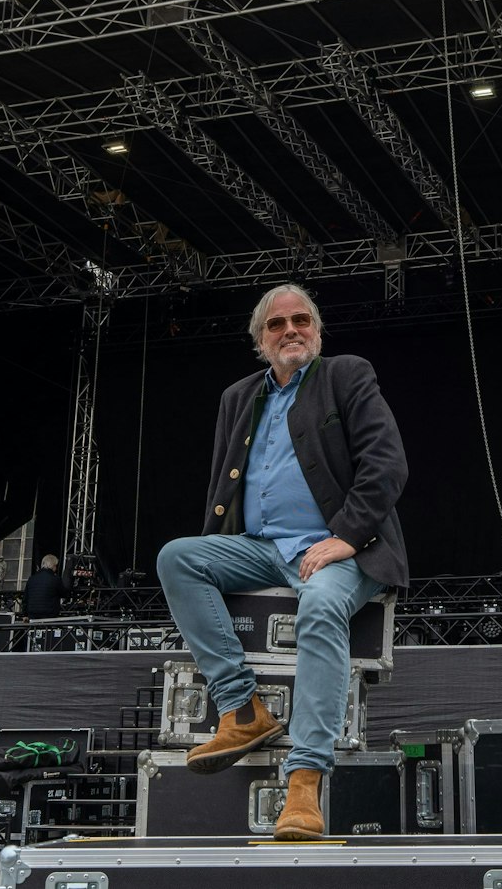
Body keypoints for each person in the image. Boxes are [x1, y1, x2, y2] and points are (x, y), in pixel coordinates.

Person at [156, 283, 408, 841]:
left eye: (301, 321)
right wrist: (219, 547)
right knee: (178, 558)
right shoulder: (238, 397)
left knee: (320, 606)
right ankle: (242, 709)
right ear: (260, 340)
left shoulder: (346, 375)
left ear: (316, 331)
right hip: (263, 549)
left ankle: (304, 780)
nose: (290, 330)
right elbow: (224, 484)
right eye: (277, 325)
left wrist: (346, 535)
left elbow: (387, 464)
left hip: (341, 547)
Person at [21, 554, 67, 619]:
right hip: (49, 614)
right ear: (53, 566)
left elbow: (25, 598)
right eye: (55, 566)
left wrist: (24, 614)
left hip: (32, 614)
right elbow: (64, 594)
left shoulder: (32, 578)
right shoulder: (55, 579)